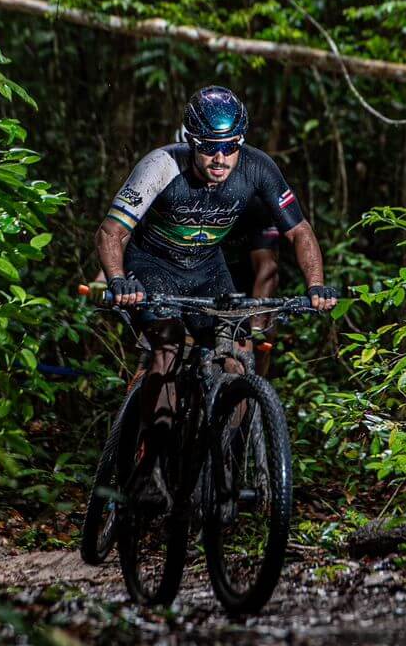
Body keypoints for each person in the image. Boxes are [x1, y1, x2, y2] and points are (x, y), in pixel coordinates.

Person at [94, 85, 336, 504]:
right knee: (167, 347)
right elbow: (111, 231)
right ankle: (148, 467)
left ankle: (219, 463)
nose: (220, 159)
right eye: (209, 148)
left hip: (207, 269)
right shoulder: (161, 165)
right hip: (153, 266)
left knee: (238, 357)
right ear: (190, 141)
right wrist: (118, 280)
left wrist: (315, 285)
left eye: (229, 148)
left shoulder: (259, 168)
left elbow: (299, 231)